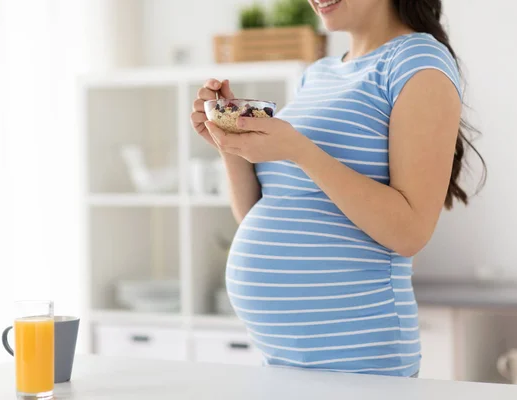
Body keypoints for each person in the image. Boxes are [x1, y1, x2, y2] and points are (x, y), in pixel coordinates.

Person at [190, 0, 485, 377]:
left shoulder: (418, 62)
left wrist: (300, 151)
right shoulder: (318, 74)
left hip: (360, 363)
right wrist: (229, 143)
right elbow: (258, 215)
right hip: (282, 360)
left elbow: (410, 231)